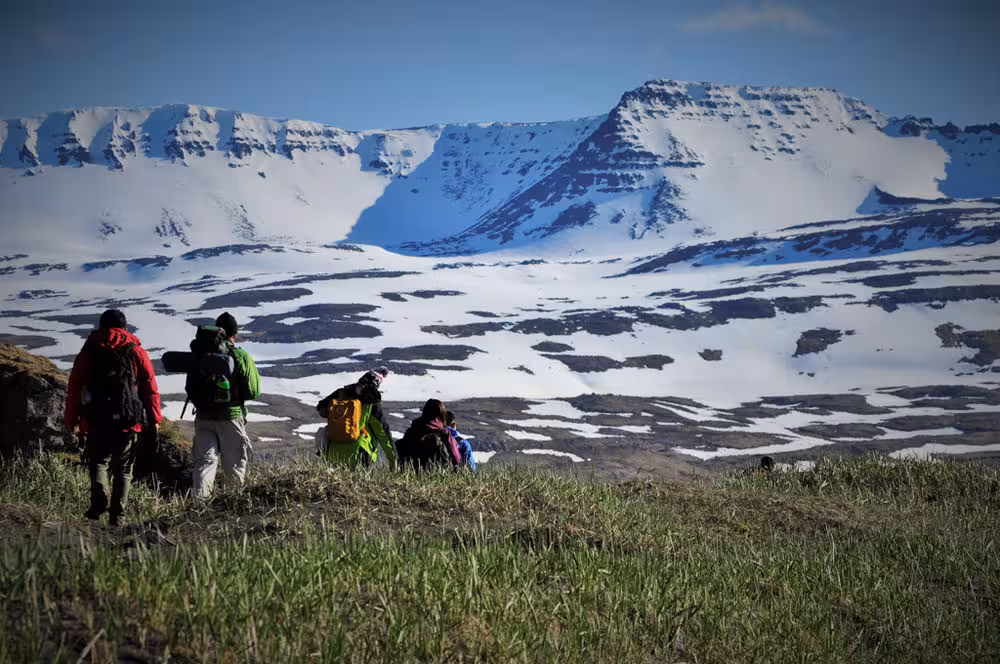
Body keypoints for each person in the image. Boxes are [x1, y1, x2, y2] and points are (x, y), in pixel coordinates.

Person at [64, 309, 162, 526]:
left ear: (101, 327)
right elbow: (150, 387)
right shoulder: (136, 350)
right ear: (125, 328)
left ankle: (99, 496)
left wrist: (71, 422)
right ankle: (118, 517)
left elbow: (75, 388)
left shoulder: (89, 349)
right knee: (124, 468)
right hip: (129, 418)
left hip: (97, 418)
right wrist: (154, 420)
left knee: (98, 461)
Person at [189, 312, 261, 498]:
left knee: (204, 463)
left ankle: (199, 506)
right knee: (234, 464)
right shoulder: (240, 355)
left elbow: (190, 385)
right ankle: (233, 505)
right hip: (230, 417)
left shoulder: (201, 353)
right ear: (234, 335)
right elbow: (253, 391)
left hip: (203, 416)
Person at [315, 367, 396, 468]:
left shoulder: (341, 393)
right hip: (360, 452)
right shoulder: (371, 402)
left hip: (333, 452)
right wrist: (393, 460)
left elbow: (321, 407)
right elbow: (383, 434)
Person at [397, 399, 462, 470]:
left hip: (410, 471)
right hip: (438, 473)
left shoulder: (411, 431)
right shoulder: (444, 433)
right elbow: (457, 459)